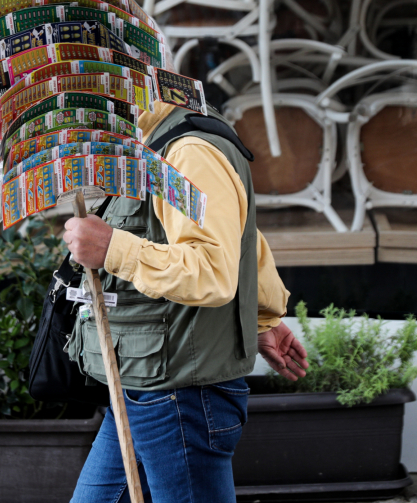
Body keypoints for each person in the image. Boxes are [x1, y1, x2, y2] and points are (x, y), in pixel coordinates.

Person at [62, 95, 309, 503]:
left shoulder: (187, 150)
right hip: (147, 383)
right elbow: (239, 235)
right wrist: (260, 318)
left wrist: (113, 248)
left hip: (181, 395)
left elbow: (212, 267)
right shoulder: (149, 140)